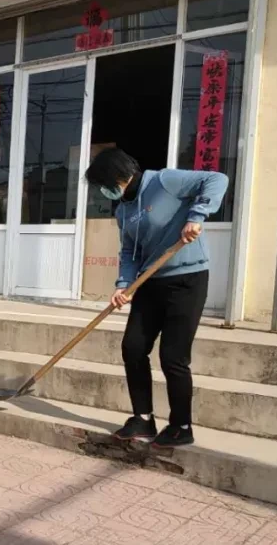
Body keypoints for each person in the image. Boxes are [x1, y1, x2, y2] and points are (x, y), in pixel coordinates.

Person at [85, 148, 229, 449]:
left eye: (103, 184)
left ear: (117, 177)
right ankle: (143, 418)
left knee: (173, 357)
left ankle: (181, 425)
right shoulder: (123, 209)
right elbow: (128, 251)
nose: (103, 191)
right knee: (133, 347)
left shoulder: (164, 182)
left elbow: (216, 179)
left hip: (186, 280)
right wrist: (123, 284)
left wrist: (196, 215)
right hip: (150, 282)